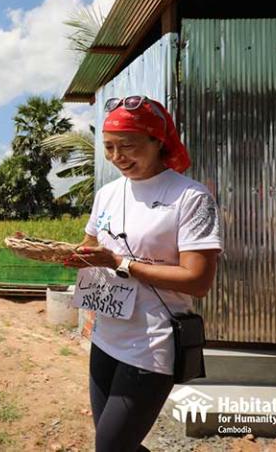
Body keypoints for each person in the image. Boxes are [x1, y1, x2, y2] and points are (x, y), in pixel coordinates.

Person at [62, 95, 221, 452]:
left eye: (128, 147)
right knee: (116, 443)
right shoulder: (107, 193)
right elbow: (91, 247)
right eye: (109, 148)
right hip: (106, 335)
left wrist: (121, 263)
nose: (118, 157)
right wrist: (66, 254)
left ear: (157, 141)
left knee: (111, 446)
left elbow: (198, 281)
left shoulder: (190, 198)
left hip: (151, 342)